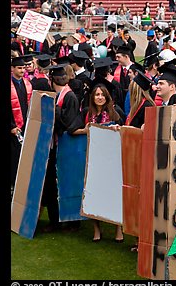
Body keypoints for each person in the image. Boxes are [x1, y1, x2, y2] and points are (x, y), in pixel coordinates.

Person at [72, 81, 124, 242]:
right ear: (92, 97)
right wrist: (85, 129)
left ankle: (118, 228)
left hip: (112, 159)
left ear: (107, 96)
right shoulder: (87, 113)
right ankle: (96, 229)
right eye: (97, 94)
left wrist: (118, 129)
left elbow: (126, 132)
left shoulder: (115, 113)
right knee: (94, 192)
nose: (99, 97)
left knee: (114, 193)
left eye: (102, 94)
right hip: (93, 158)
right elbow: (73, 130)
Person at [41, 63, 82, 233]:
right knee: (51, 184)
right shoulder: (58, 95)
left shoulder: (69, 97)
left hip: (66, 148)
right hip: (53, 147)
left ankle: (73, 222)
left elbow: (69, 124)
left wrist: (54, 109)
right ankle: (55, 220)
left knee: (68, 183)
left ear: (52, 80)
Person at [10, 55, 34, 197]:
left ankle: (22, 188)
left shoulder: (27, 84)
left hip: (25, 127)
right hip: (12, 130)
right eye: (19, 68)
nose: (22, 70)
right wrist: (11, 126)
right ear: (12, 69)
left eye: (23, 67)